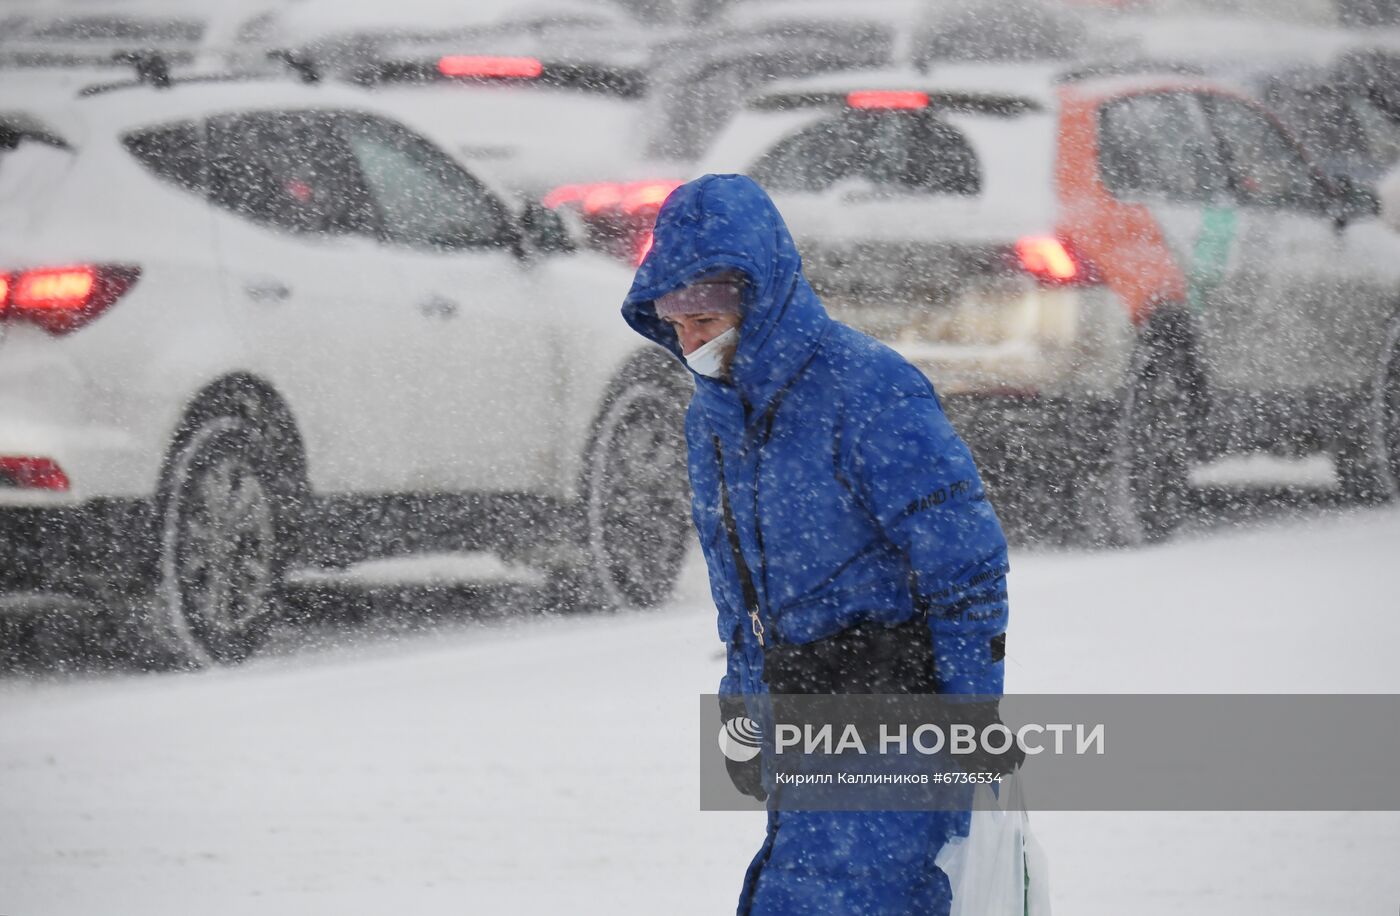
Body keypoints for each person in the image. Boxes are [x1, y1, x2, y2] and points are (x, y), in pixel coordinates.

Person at [622, 174, 1016, 915]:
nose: (690, 339)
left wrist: (972, 722)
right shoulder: (713, 420)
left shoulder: (868, 391)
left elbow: (966, 567)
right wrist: (744, 705)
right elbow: (737, 580)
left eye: (705, 315)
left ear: (756, 297)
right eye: (673, 319)